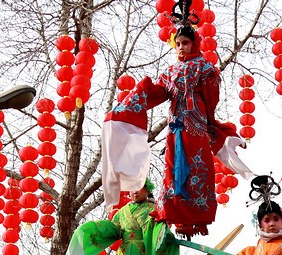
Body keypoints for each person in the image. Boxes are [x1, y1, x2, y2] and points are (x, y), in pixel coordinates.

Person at [101, 26, 247, 235]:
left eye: (185, 43)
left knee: (198, 168)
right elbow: (158, 93)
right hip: (176, 126)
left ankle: (198, 218)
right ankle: (176, 215)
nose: (181, 48)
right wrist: (134, 98)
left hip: (196, 125)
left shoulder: (205, 67)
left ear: (194, 43)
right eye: (178, 44)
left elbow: (211, 97)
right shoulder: (170, 72)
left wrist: (207, 120)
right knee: (173, 169)